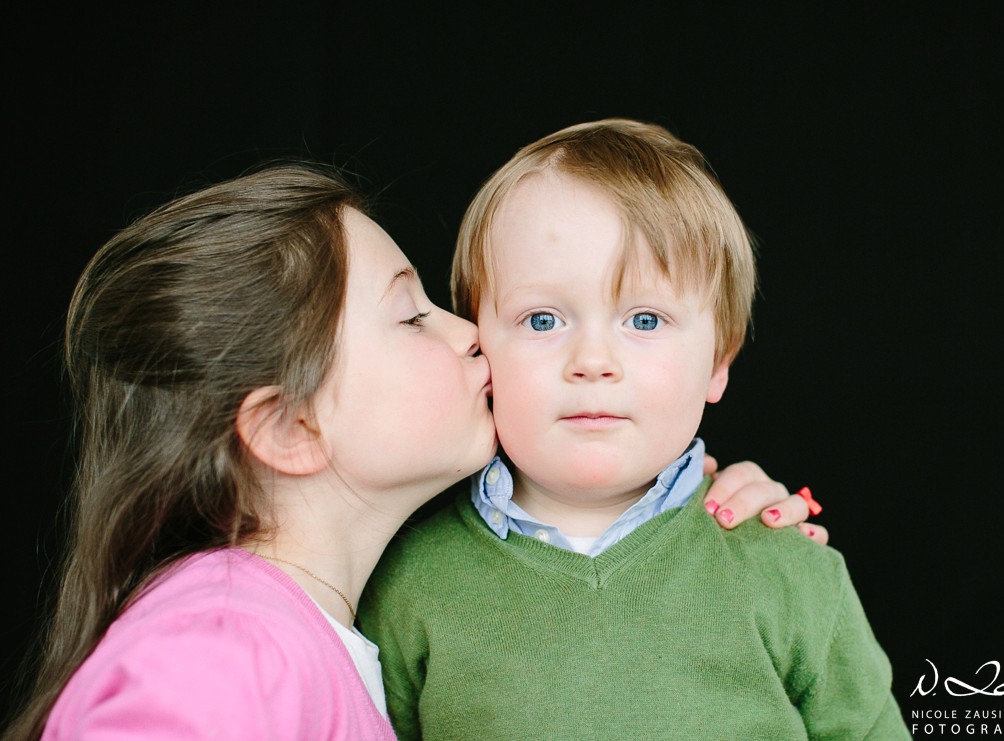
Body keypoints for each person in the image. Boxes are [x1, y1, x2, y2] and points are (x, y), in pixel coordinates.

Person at [4, 161, 817, 740]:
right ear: (291, 428)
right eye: (412, 314)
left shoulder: (320, 632)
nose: (470, 334)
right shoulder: (224, 646)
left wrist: (682, 518)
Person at [360, 120, 909, 739]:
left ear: (717, 364)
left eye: (645, 319)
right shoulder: (408, 583)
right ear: (479, 345)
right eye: (542, 319)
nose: (593, 360)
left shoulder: (790, 572)